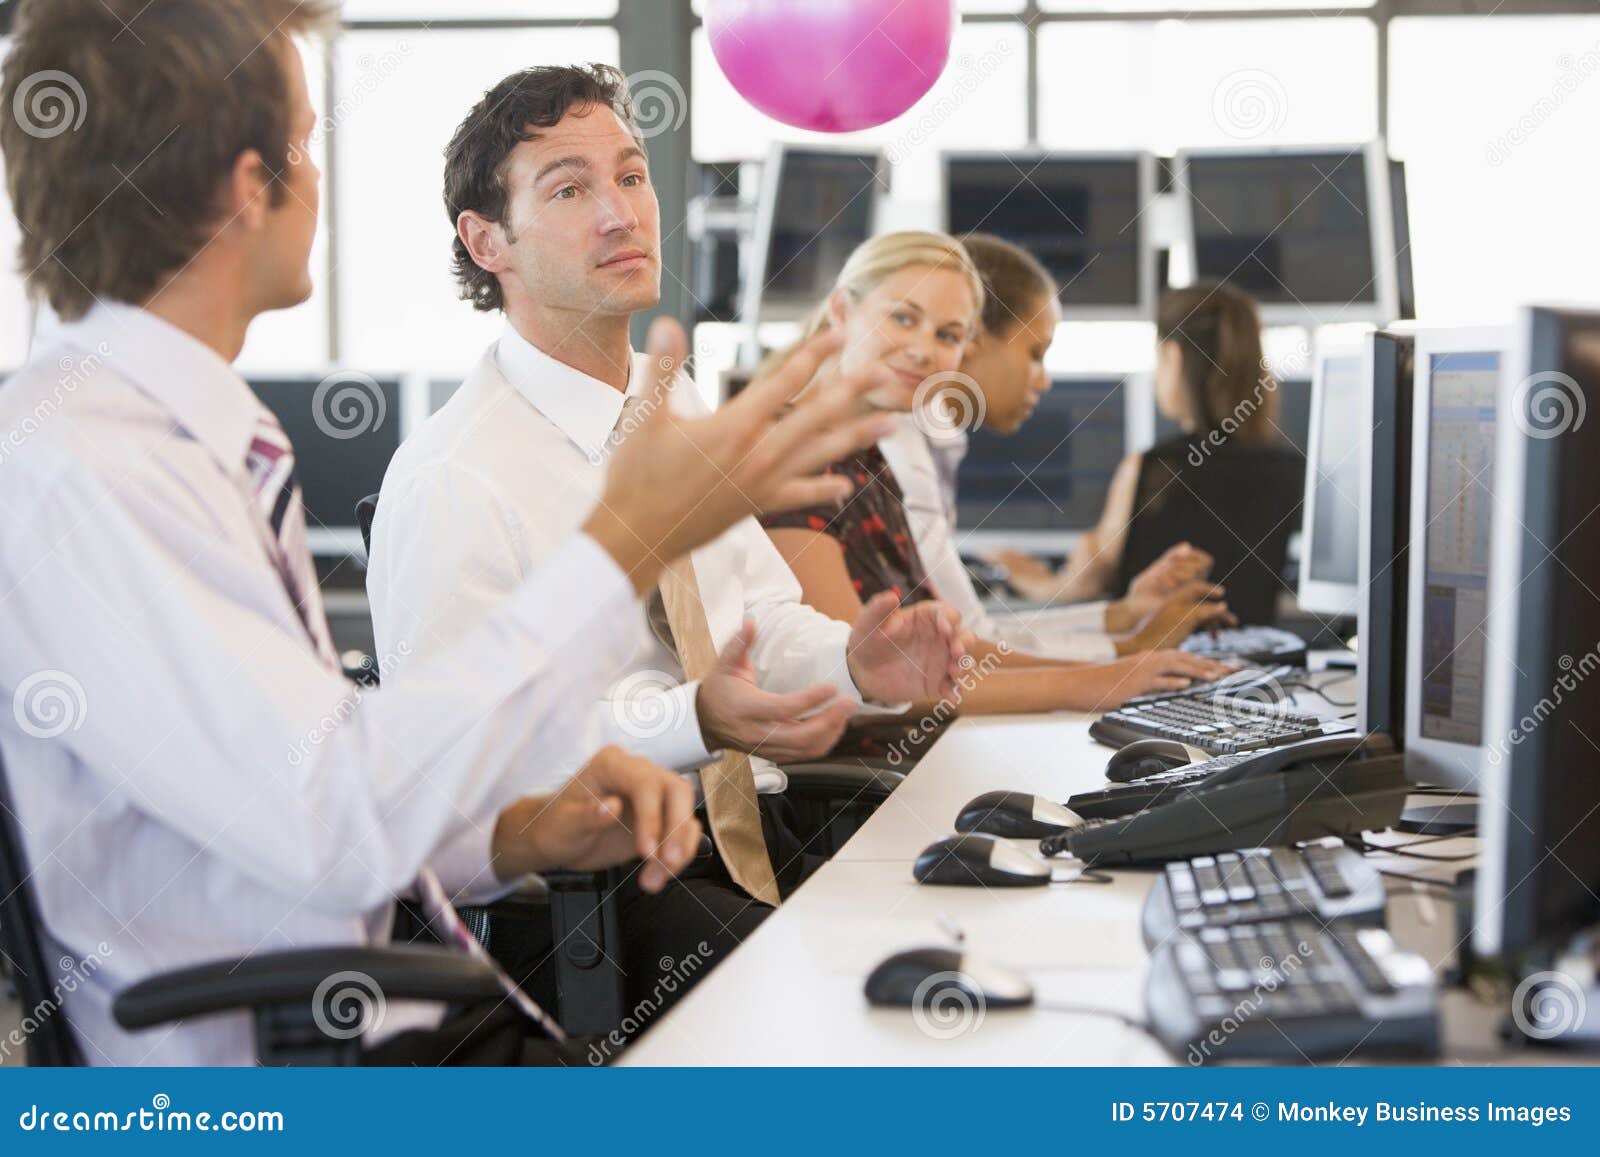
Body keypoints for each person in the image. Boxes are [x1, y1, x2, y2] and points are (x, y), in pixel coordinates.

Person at [0, 0, 909, 1066]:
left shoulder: (188, 436)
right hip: (295, 1065)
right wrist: (621, 545)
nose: (321, 179)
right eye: (304, 142)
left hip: (397, 1006)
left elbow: (332, 782)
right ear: (253, 186)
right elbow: (331, 818)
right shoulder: (87, 470)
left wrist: (511, 834)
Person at [365, 65, 970, 1013]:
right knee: (847, 1019)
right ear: (486, 242)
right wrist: (694, 717)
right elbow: (459, 767)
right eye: (570, 189)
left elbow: (757, 612)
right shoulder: (456, 475)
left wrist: (854, 662)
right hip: (589, 896)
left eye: (632, 176)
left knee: (963, 929)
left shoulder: (670, 392)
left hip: (746, 824)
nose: (621, 214)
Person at [761, 232, 1233, 717]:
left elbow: (952, 647)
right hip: (875, 774)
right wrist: (1101, 675)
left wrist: (1116, 659)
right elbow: (862, 679)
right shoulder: (794, 458)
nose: (924, 351)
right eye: (903, 318)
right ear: (842, 312)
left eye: (946, 335)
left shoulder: (868, 455)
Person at [878, 232, 1235, 661]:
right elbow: (968, 650)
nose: (1044, 380)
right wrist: (1131, 647)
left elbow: (976, 632)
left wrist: (1122, 616)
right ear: (974, 337)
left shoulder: (926, 442)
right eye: (1035, 353)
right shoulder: (902, 453)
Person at [988, 281, 1279, 607]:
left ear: (1174, 356)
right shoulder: (1284, 468)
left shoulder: (1155, 469)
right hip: (1252, 649)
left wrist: (1029, 577)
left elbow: (1085, 583)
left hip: (1155, 650)